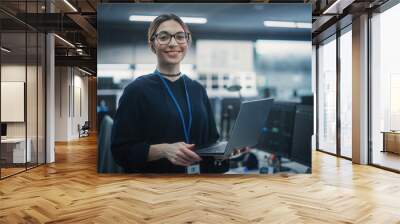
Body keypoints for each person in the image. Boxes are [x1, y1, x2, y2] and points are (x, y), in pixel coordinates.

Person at [111, 14, 245, 173]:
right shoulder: (136, 90)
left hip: (198, 185)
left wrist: (222, 152)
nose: (173, 43)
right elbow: (120, 151)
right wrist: (164, 150)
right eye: (164, 37)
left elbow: (210, 141)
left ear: (187, 42)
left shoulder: (198, 89)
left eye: (180, 36)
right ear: (152, 44)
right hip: (156, 189)